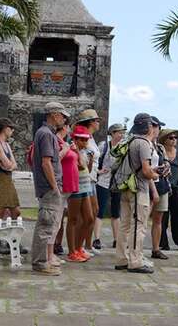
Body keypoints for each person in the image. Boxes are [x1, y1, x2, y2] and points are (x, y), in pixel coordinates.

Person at [114, 113, 160, 274]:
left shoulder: (130, 141)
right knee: (138, 225)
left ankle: (121, 258)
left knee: (124, 225)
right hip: (138, 189)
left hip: (125, 186)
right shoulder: (144, 144)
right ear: (148, 127)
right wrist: (156, 174)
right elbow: (146, 171)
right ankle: (135, 261)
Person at [31, 102, 69, 276]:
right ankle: (40, 263)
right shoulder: (46, 134)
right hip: (49, 188)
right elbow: (46, 162)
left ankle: (42, 261)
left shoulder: (46, 133)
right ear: (54, 115)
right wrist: (54, 186)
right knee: (46, 224)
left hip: (48, 187)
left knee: (48, 223)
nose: (63, 119)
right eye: (62, 115)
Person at [0, 118, 27, 255]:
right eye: (11, 128)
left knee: (15, 211)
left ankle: (14, 241)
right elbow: (8, 164)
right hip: (0, 180)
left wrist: (9, 166)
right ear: (4, 128)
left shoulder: (5, 144)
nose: (12, 130)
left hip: (7, 179)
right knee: (1, 212)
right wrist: (9, 165)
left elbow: (13, 165)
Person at [48, 121, 79, 267]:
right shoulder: (56, 141)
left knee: (58, 220)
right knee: (55, 221)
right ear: (65, 127)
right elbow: (54, 160)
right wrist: (66, 149)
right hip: (61, 184)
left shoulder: (63, 141)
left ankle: (51, 252)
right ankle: (49, 253)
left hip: (68, 186)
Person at [93, 124, 126, 250]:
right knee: (100, 210)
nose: (121, 135)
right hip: (104, 181)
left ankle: (116, 239)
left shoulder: (124, 147)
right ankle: (96, 238)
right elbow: (95, 160)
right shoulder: (104, 146)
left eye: (122, 133)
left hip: (118, 182)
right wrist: (98, 171)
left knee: (116, 211)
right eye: (119, 132)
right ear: (112, 133)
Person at [66, 125, 94, 263]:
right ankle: (72, 251)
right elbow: (81, 165)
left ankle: (78, 247)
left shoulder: (83, 151)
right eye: (82, 140)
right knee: (73, 219)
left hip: (85, 186)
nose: (85, 143)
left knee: (89, 218)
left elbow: (87, 169)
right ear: (75, 140)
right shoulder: (73, 150)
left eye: (86, 140)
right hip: (75, 187)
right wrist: (77, 151)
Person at [77, 109, 101, 255]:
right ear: (91, 122)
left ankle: (87, 244)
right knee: (86, 215)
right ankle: (80, 246)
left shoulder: (91, 138)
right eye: (97, 121)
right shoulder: (84, 137)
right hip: (85, 178)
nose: (99, 123)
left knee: (94, 211)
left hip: (92, 178)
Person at [149, 117, 172, 260]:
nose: (158, 130)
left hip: (161, 184)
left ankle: (156, 248)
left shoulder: (160, 147)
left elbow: (166, 161)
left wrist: (167, 168)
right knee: (141, 218)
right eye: (156, 127)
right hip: (148, 184)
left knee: (159, 219)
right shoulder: (144, 145)